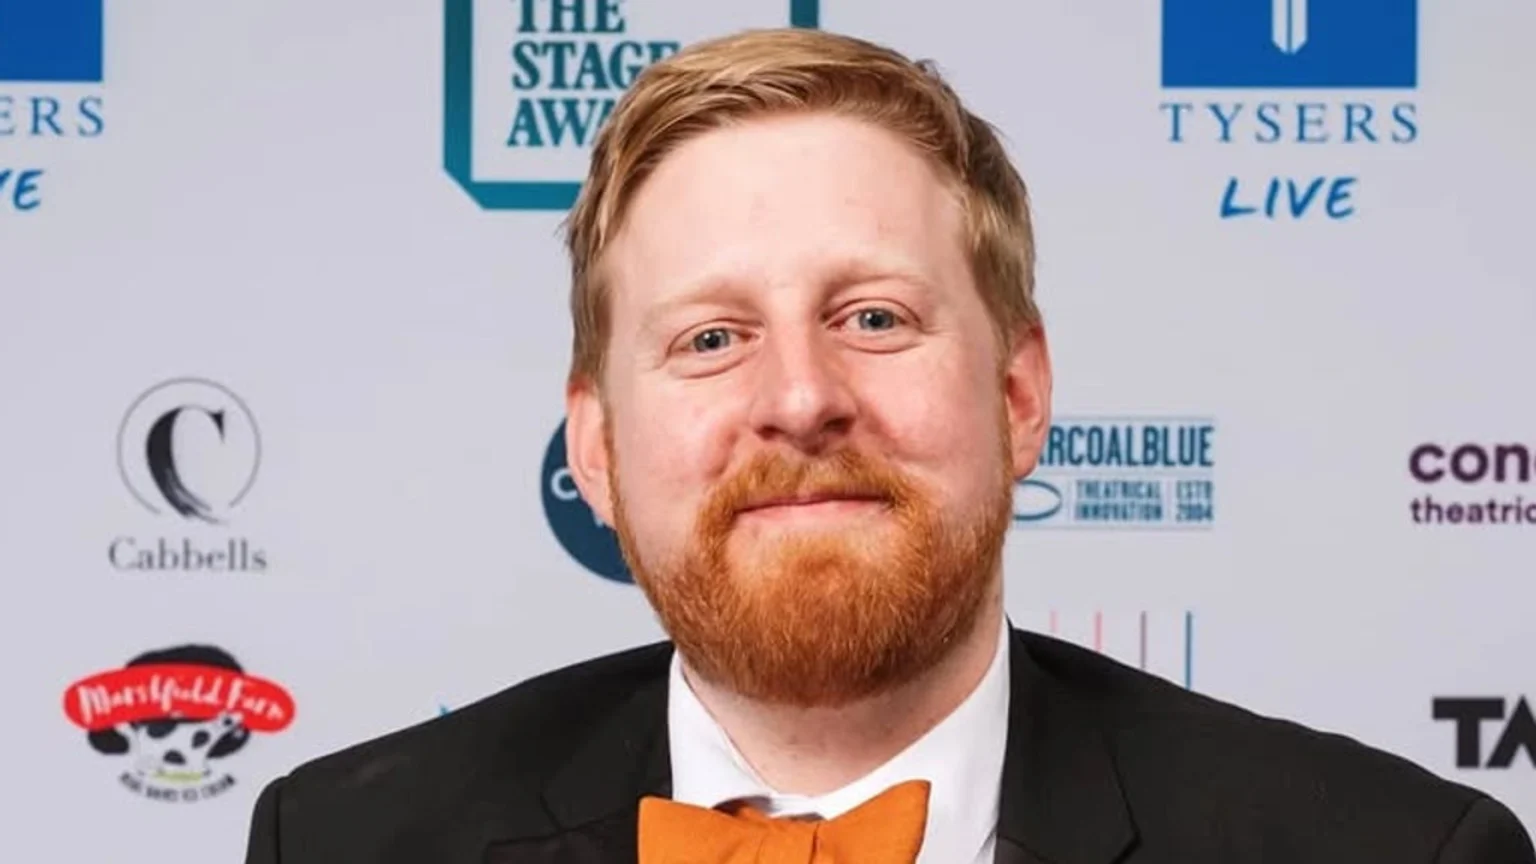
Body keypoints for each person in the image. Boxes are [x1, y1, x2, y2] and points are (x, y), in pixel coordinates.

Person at [243, 27, 1535, 864]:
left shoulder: (1395, 852)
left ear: (1019, 393)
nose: (801, 397)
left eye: (874, 317)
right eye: (711, 338)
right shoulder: (349, 841)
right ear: (594, 449)